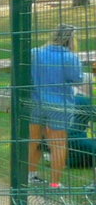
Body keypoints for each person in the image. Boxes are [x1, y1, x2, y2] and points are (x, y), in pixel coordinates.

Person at [27, 24, 88, 189]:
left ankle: (29, 175)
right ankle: (55, 183)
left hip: (36, 102)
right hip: (60, 104)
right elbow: (77, 80)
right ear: (71, 39)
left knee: (33, 140)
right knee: (58, 144)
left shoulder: (35, 53)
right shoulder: (70, 57)